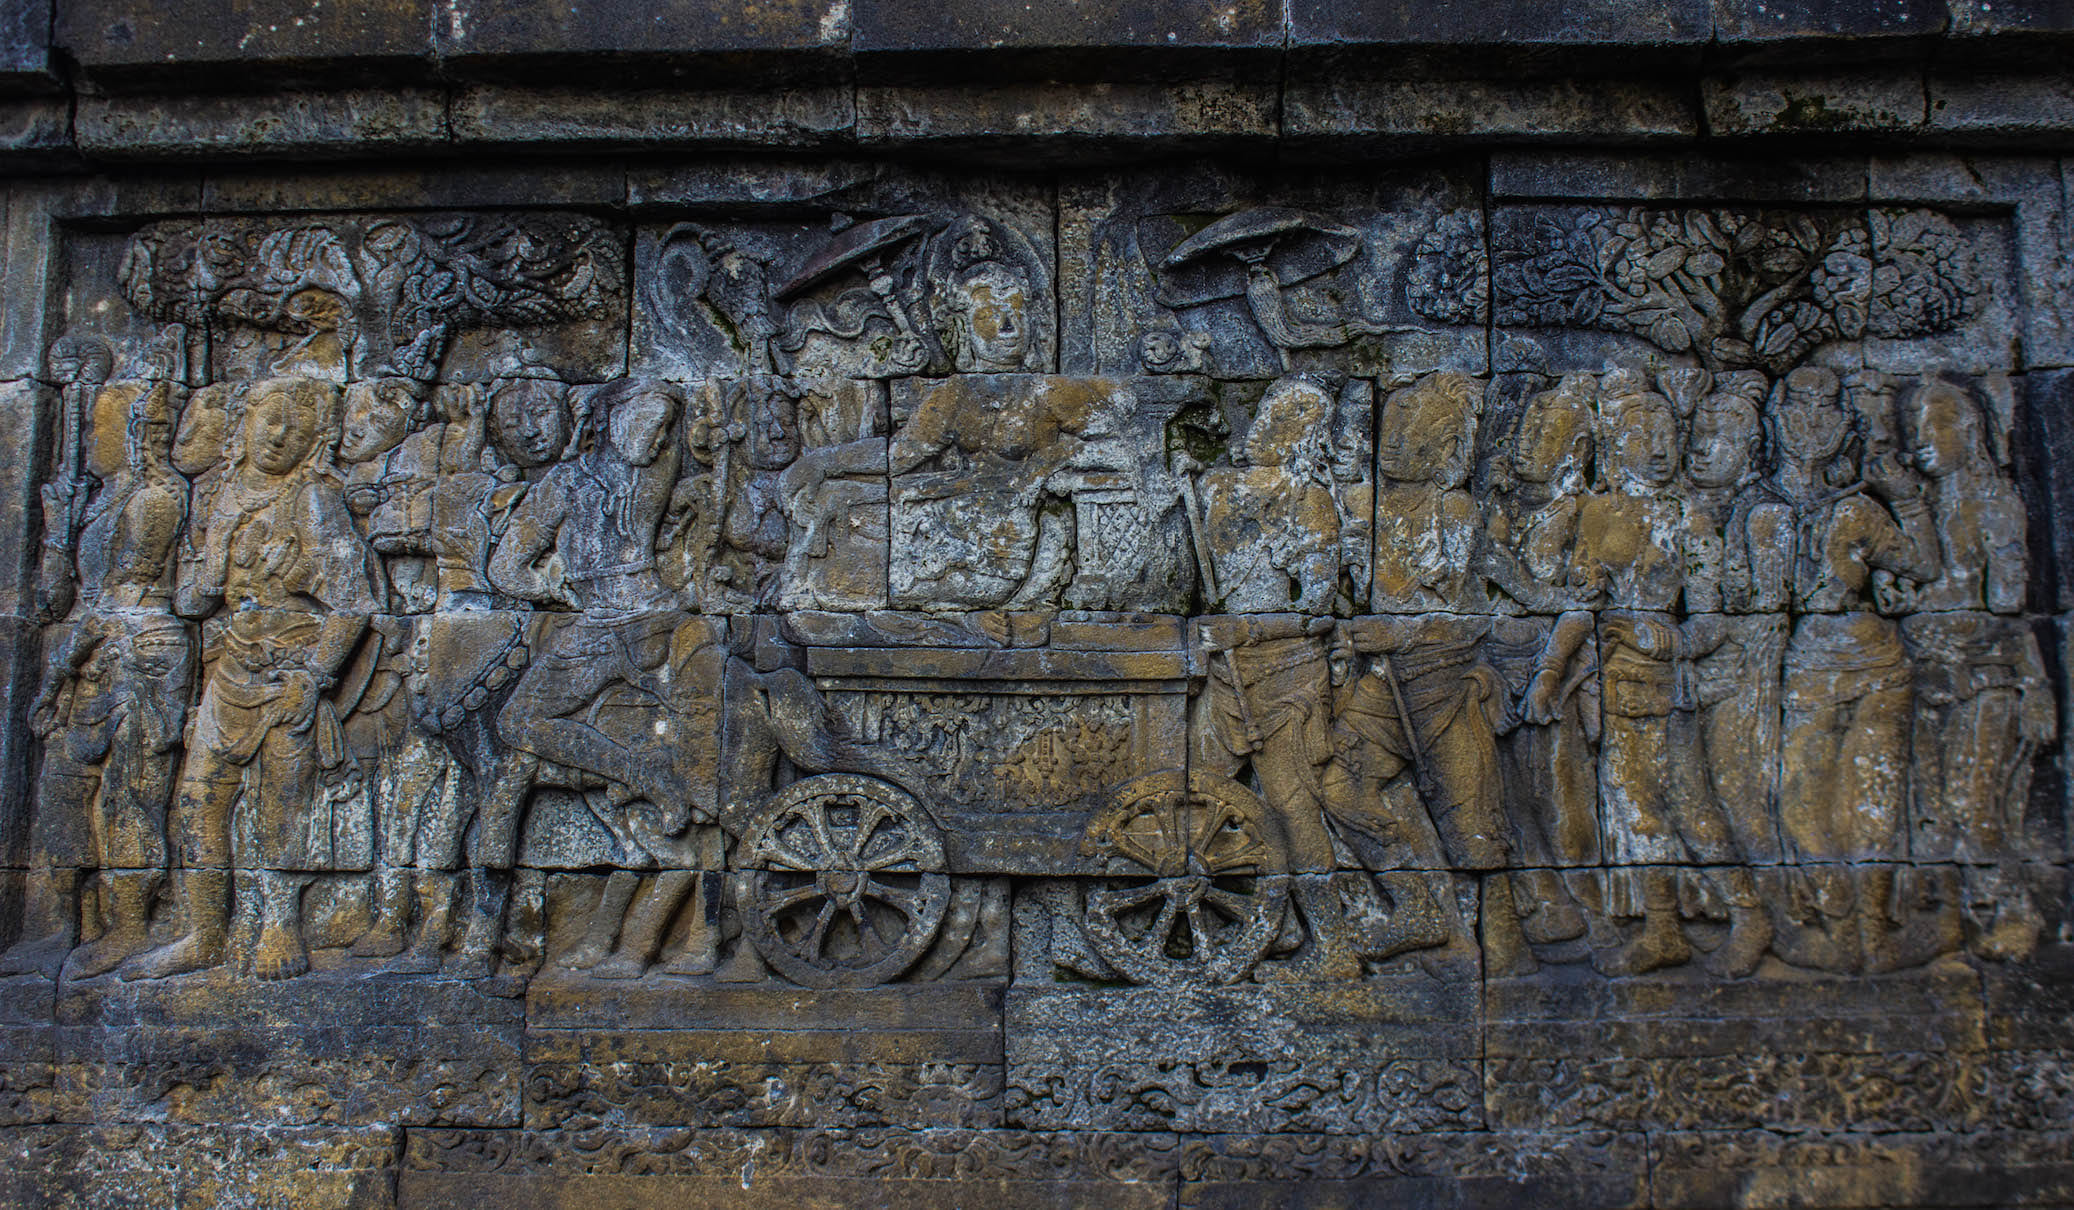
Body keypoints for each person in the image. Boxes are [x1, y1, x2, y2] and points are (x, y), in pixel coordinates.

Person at [125, 376, 382, 981]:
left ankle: (278, 925)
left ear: (315, 439)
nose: (277, 434)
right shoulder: (219, 497)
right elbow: (192, 603)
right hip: (230, 670)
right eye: (268, 417)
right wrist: (212, 568)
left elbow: (354, 601)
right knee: (198, 800)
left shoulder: (313, 499)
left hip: (287, 677)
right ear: (243, 424)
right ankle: (205, 932)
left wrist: (315, 677)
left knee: (280, 808)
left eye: (294, 426)